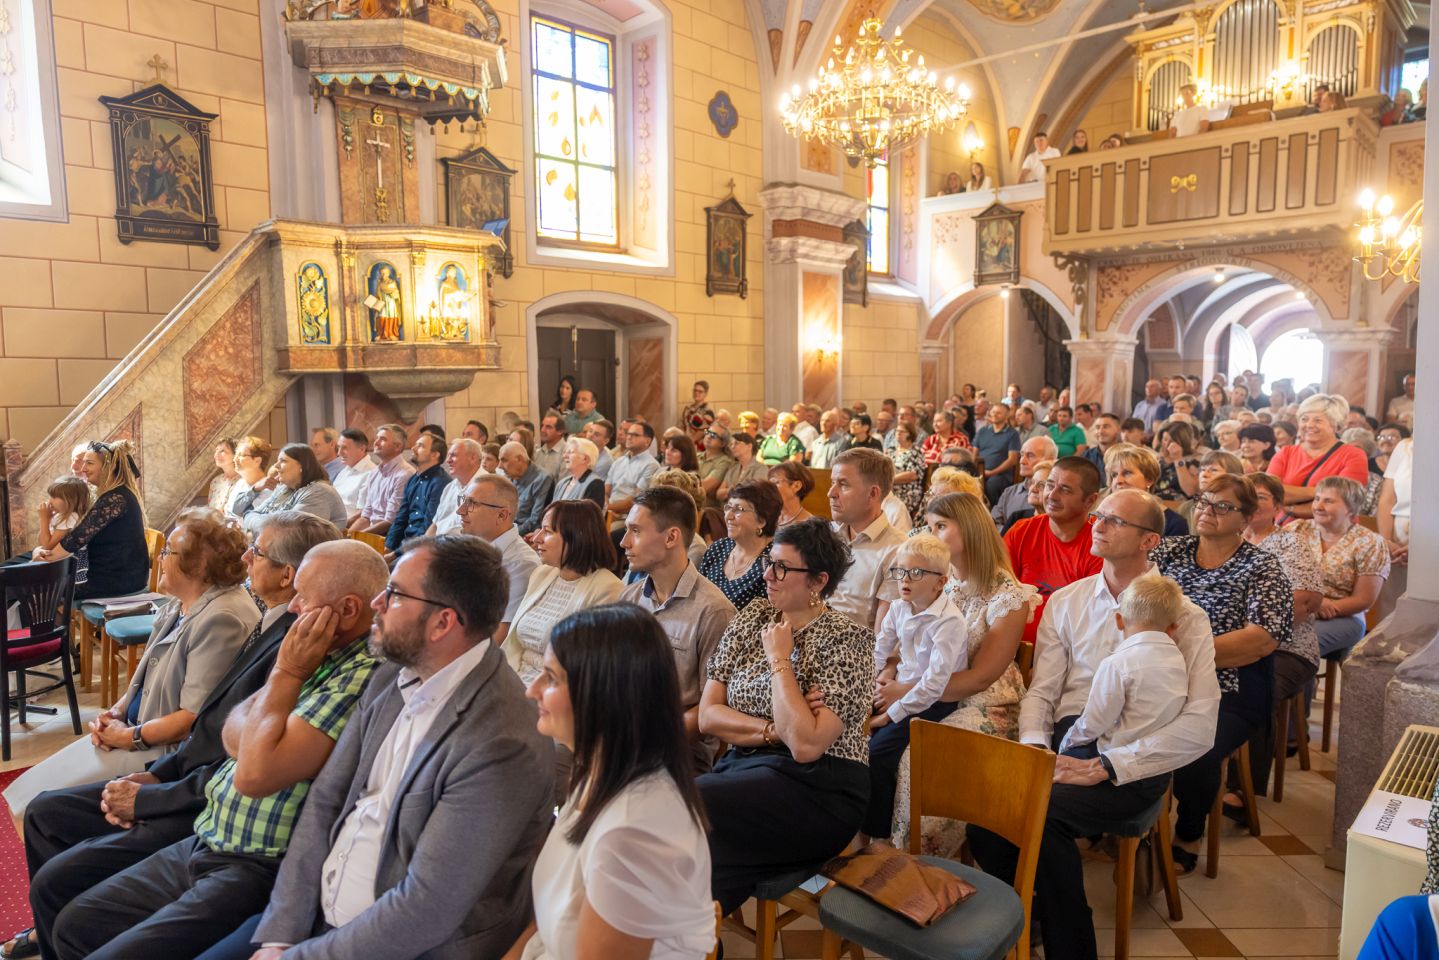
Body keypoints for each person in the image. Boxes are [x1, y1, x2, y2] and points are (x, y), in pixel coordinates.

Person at [9, 512, 337, 960]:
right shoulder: (266, 621)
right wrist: (121, 719)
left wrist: (146, 781)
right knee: (44, 815)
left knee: (58, 868)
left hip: (193, 793)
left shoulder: (288, 642)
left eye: (257, 552)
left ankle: (58, 927)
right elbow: (194, 715)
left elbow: (215, 741)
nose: (247, 558)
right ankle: (50, 927)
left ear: (287, 574)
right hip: (178, 769)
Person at [247, 535, 555, 960]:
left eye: (394, 594)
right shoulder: (393, 674)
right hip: (315, 925)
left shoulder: (503, 740)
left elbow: (426, 908)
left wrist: (298, 957)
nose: (377, 602)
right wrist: (280, 936)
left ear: (442, 623)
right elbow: (325, 801)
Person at [970, 489, 1220, 960]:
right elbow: (1043, 691)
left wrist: (1106, 765)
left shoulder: (1184, 616)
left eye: (1114, 521)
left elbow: (1200, 725)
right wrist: (1035, 747)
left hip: (1136, 756)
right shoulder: (1068, 601)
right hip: (1070, 737)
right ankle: (1035, 915)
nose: (1097, 526)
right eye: (1098, 516)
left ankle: (1072, 947)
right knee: (986, 812)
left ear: (1149, 540)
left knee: (1038, 815)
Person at [5, 509, 260, 818]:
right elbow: (146, 677)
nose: (160, 559)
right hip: (138, 729)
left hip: (164, 753)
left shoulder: (222, 619)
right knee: (26, 792)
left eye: (168, 551)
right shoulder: (181, 603)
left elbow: (191, 719)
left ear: (199, 564)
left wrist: (127, 737)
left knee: (37, 807)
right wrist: (115, 713)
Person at [514, 605, 715, 959]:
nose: (532, 690)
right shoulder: (599, 771)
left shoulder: (634, 833)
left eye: (551, 678)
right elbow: (543, 922)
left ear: (603, 694)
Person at [697, 519, 873, 915]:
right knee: (695, 852)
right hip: (746, 768)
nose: (766, 575)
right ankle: (695, 933)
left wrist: (780, 660)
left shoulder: (848, 640)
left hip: (820, 789)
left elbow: (807, 746)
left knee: (691, 804)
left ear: (818, 580)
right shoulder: (753, 617)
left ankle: (686, 930)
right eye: (768, 563)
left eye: (781, 568)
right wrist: (778, 729)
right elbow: (709, 716)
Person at [1152, 475, 1292, 875]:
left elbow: (1261, 639)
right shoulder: (1170, 551)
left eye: (1222, 506)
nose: (1207, 511)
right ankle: (1123, 821)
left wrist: (1179, 654)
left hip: (1229, 688)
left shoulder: (1261, 566)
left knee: (1198, 746)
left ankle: (1188, 832)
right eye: (1203, 501)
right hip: (1159, 676)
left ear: (1246, 518)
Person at [888, 491, 1035, 851]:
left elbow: (982, 676)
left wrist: (908, 690)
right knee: (863, 733)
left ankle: (914, 856)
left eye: (940, 526)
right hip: (931, 691)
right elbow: (905, 637)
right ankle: (872, 840)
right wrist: (891, 673)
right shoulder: (939, 580)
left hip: (986, 703)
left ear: (969, 529)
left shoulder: (1008, 595)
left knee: (917, 755)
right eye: (928, 525)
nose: (930, 534)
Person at [620, 487, 737, 774]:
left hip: (677, 754)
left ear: (671, 537)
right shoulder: (629, 599)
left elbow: (713, 705)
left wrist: (647, 743)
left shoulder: (713, 611)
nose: (624, 542)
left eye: (636, 530)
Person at [864, 533, 966, 841]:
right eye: (900, 570)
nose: (904, 579)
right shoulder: (898, 608)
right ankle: (846, 816)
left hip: (933, 702)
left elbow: (934, 686)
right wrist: (864, 690)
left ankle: (879, 837)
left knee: (878, 752)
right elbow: (878, 652)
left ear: (940, 582)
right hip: (903, 688)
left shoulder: (948, 622)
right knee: (844, 730)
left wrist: (887, 715)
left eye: (916, 572)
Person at [1237, 473, 1322, 801]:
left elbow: (1302, 603)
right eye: (1245, 496)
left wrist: (1249, 636)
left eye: (1260, 496)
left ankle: (1243, 789)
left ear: (1277, 506)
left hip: (1286, 648)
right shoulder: (1228, 541)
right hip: (1232, 643)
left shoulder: (1290, 543)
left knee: (1254, 687)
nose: (1251, 503)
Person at [1055, 571, 1190, 760]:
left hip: (1112, 754)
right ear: (1173, 628)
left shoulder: (1117, 663)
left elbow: (1096, 720)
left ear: (1119, 620)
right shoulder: (1179, 660)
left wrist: (1066, 744)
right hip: (1158, 757)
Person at [506, 500, 623, 685]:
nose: (536, 538)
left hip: (555, 688)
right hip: (514, 677)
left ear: (577, 537)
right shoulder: (542, 574)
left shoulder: (609, 589)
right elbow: (515, 646)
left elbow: (589, 667)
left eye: (547, 531)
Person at [1287, 476, 1390, 663]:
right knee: (1260, 636)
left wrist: (1319, 607)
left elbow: (1363, 600)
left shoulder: (1369, 542)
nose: (1318, 506)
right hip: (1294, 608)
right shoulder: (1297, 529)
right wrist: (1309, 605)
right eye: (1317, 499)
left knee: (1294, 644)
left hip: (1343, 616)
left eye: (1328, 501)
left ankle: (1295, 684)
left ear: (1351, 508)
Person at [1004, 456, 1104, 647]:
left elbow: (1089, 618)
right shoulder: (1022, 531)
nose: (1052, 495)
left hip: (1069, 650)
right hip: (1013, 647)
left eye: (1065, 490)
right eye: (1049, 485)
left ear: (1090, 500)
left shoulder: (1100, 544)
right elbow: (998, 590)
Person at [33, 440, 148, 601]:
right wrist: (39, 552)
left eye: (89, 463)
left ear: (108, 466)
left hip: (116, 581)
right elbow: (72, 539)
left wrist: (43, 556)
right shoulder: (112, 494)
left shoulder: (115, 499)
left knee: (29, 589)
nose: (82, 469)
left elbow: (74, 541)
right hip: (113, 576)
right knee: (26, 582)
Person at [827, 448, 905, 631]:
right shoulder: (826, 534)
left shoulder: (898, 550)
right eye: (832, 483)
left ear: (873, 494)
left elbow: (882, 637)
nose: (831, 493)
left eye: (843, 485)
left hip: (851, 645)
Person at [457, 473, 540, 643]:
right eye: (463, 501)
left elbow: (500, 636)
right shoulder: (469, 546)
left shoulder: (522, 565)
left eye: (472, 503)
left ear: (502, 515)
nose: (460, 511)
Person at [1266, 393, 1369, 518]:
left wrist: (1290, 508)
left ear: (1335, 425)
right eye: (1304, 419)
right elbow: (1268, 493)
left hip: (1332, 528)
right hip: (1284, 528)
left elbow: (1343, 502)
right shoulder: (1285, 453)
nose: (1309, 425)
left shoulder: (1353, 455)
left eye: (1318, 420)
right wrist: (1318, 492)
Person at [233, 444, 349, 536]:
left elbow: (287, 532)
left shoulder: (318, 491)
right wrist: (254, 493)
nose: (276, 466)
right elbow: (238, 510)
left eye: (283, 461)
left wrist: (248, 515)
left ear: (301, 466)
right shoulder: (283, 489)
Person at [699, 480, 781, 610]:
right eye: (728, 507)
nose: (728, 516)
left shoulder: (772, 563)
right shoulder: (718, 548)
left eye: (738, 510)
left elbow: (767, 616)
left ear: (761, 521)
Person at [381, 432, 448, 553]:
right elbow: (401, 518)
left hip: (424, 549)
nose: (413, 448)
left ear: (434, 455)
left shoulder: (440, 483)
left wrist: (396, 554)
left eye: (420, 446)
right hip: (404, 545)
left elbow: (429, 527)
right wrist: (388, 547)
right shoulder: (414, 479)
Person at [1104, 443, 1189, 537]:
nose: (1118, 481)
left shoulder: (1175, 525)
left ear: (1149, 479)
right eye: (1114, 475)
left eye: (1127, 473)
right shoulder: (1104, 517)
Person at [350, 424, 416, 535]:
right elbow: (366, 516)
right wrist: (349, 536)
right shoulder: (374, 473)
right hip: (371, 533)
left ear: (397, 447)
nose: (376, 442)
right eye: (377, 438)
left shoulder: (405, 474)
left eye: (383, 439)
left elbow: (390, 521)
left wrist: (357, 537)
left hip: (389, 535)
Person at [993, 435, 1057, 531]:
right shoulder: (1009, 492)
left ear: (1050, 459)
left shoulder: (1056, 496)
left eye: (1030, 455)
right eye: (1022, 455)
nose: (1022, 461)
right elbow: (992, 523)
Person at [605, 421, 661, 527]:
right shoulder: (619, 461)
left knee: (608, 530)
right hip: (609, 512)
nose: (629, 437)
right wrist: (607, 511)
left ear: (647, 441)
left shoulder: (651, 465)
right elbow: (606, 491)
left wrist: (607, 509)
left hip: (628, 517)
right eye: (628, 434)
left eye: (635, 435)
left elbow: (636, 500)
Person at [427, 438, 484, 535]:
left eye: (453, 455)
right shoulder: (450, 487)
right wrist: (423, 542)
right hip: (438, 542)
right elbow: (436, 524)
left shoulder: (487, 487)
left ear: (472, 458)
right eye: (448, 456)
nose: (448, 460)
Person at [498, 440, 554, 538]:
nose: (499, 466)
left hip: (524, 536)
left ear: (519, 459)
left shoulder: (542, 479)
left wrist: (507, 535)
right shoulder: (510, 477)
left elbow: (535, 520)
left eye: (504, 460)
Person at [975, 402, 1022, 504]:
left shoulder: (1012, 433)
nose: (995, 414)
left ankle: (994, 511)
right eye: (993, 412)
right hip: (980, 471)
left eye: (999, 413)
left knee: (991, 485)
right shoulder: (982, 431)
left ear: (1006, 416)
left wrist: (991, 473)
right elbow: (973, 454)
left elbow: (1012, 460)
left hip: (1001, 475)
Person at [331, 428, 377, 523]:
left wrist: (337, 526)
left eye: (344, 448)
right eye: (338, 447)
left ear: (362, 449)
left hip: (348, 527)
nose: (339, 453)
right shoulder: (344, 471)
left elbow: (363, 513)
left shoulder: (371, 473)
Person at [35, 476, 89, 555]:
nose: (50, 501)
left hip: (68, 560)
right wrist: (48, 519)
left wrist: (44, 519)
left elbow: (47, 547)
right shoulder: (61, 515)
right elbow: (41, 542)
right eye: (50, 496)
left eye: (54, 497)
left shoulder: (71, 518)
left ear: (70, 500)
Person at [887, 421, 927, 524]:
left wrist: (888, 480)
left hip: (908, 491)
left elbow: (912, 475)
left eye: (902, 431)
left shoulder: (915, 452)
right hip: (889, 489)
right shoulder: (890, 451)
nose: (898, 433)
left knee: (890, 506)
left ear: (910, 433)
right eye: (897, 431)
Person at [553, 436, 607, 509]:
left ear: (585, 459)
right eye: (565, 452)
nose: (564, 456)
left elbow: (591, 515)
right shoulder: (562, 483)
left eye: (570, 452)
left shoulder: (595, 484)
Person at [225, 436, 272, 516]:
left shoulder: (268, 489)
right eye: (236, 455)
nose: (235, 459)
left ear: (257, 461)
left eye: (241, 455)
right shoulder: (240, 483)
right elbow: (229, 512)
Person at [696, 426, 735, 510]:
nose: (708, 436)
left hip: (706, 510)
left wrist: (684, 481)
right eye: (708, 432)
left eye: (714, 435)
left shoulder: (724, 462)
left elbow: (704, 487)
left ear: (722, 443)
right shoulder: (696, 456)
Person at [768, 459, 815, 528]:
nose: (769, 487)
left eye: (775, 482)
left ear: (796, 486)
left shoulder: (809, 525)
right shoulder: (767, 517)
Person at [1082, 412, 1120, 487]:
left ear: (1118, 430)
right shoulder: (1087, 455)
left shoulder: (1127, 455)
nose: (1100, 431)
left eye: (1106, 427)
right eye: (1097, 427)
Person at [207, 439, 241, 513]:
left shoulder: (243, 481)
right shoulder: (215, 481)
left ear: (235, 455)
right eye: (216, 450)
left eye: (223, 451)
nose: (216, 455)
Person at [533, 414, 568, 482]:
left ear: (560, 431)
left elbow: (563, 485)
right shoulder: (538, 452)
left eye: (548, 427)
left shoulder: (567, 453)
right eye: (542, 426)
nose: (542, 430)